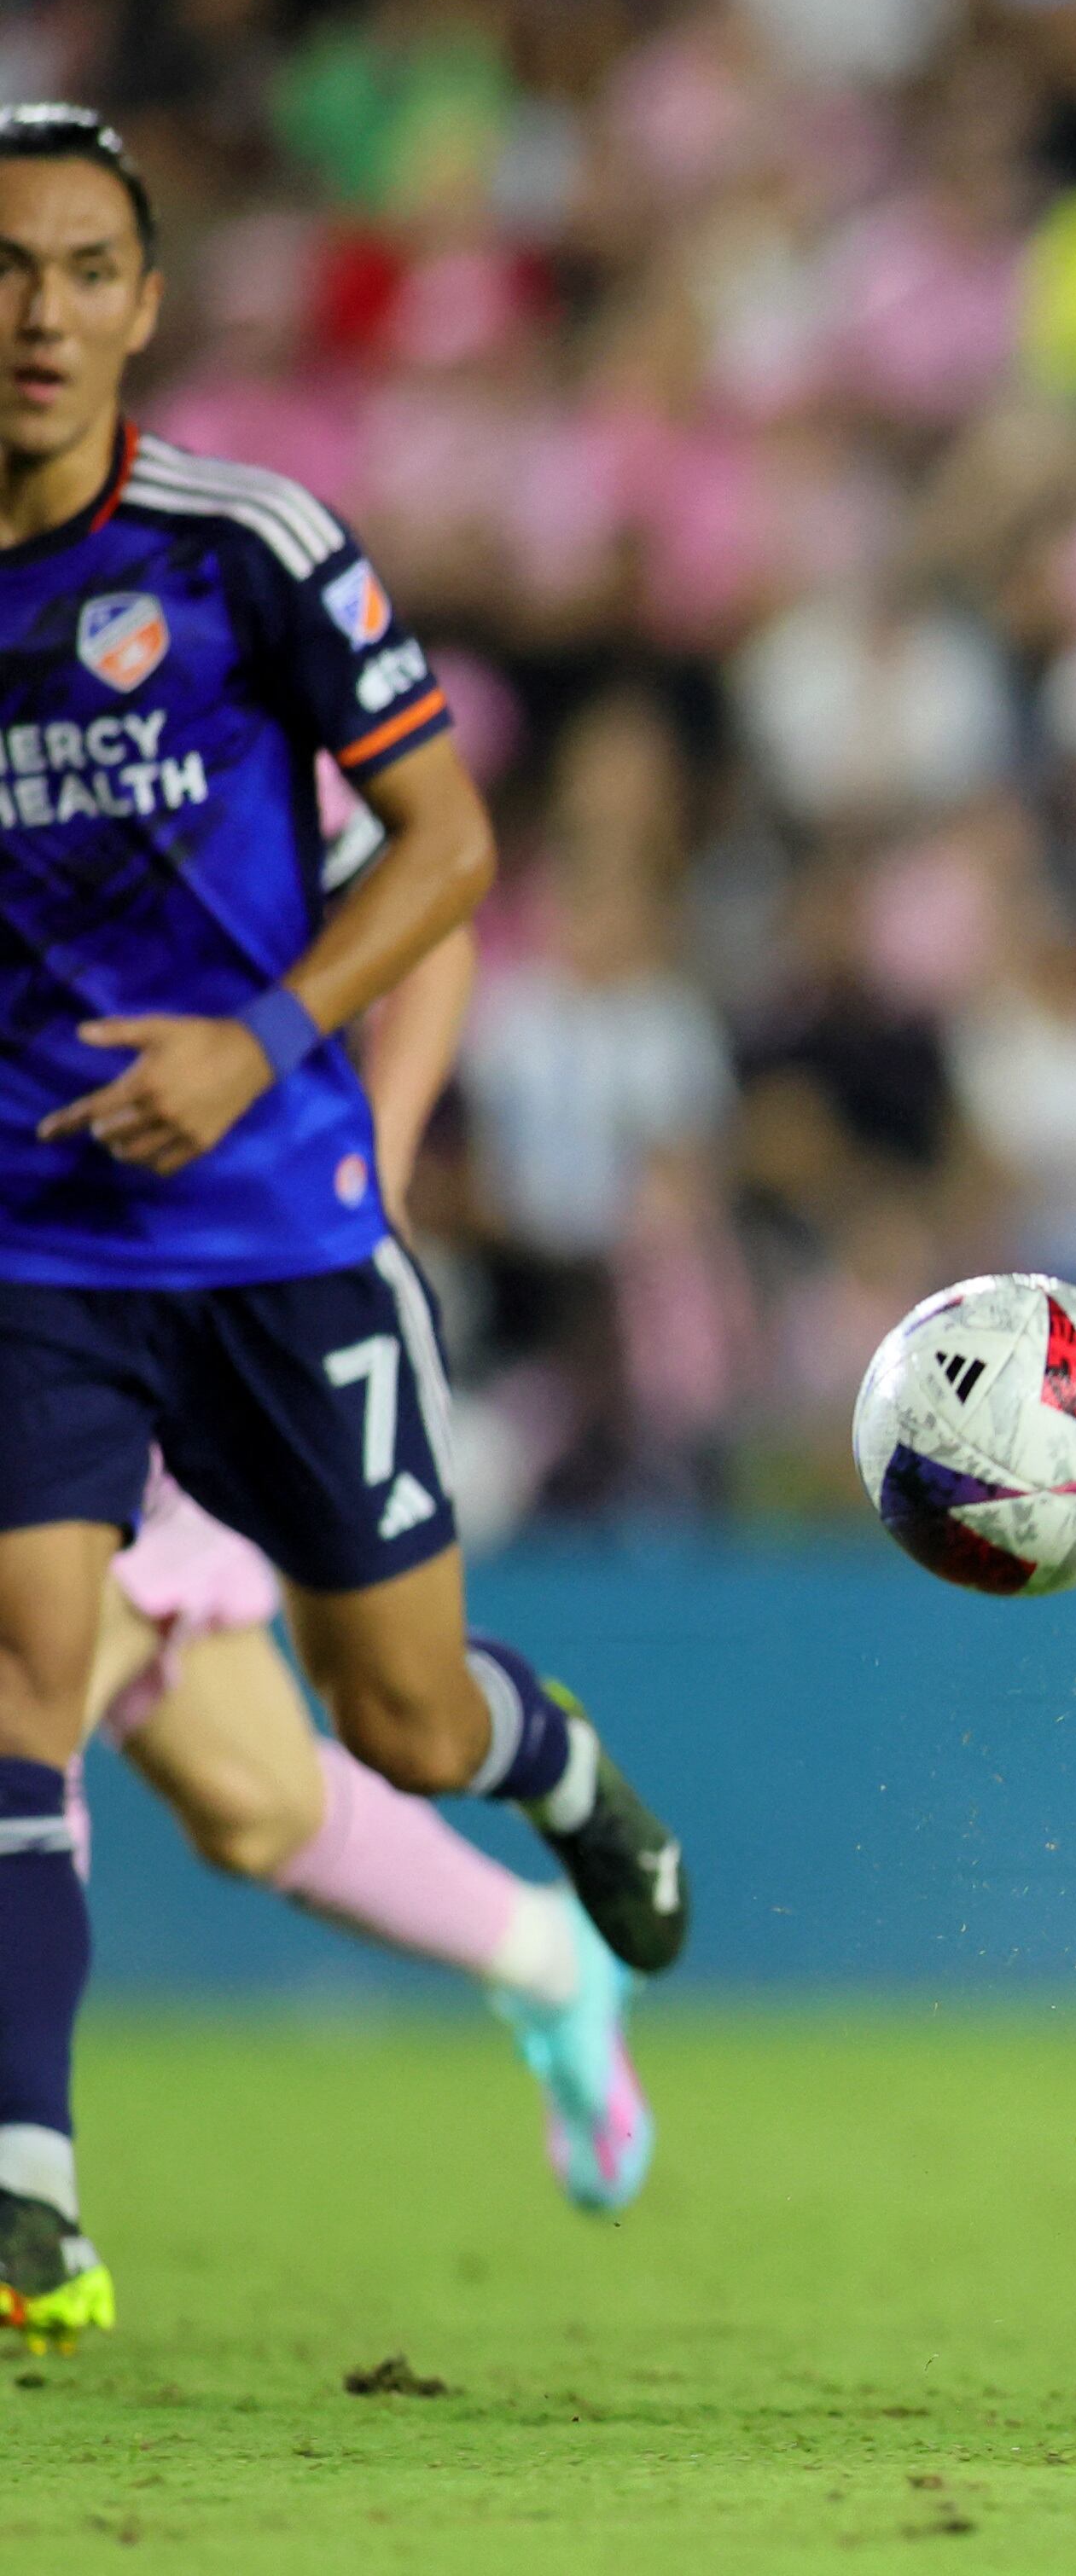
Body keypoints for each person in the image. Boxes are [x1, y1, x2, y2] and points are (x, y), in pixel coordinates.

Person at [0, 108, 685, 2351]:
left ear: (146, 304)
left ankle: (551, 1793)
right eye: (4, 268)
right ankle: (27, 2198)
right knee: (39, 1688)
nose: (35, 313)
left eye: (84, 269)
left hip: (270, 1249)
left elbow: (447, 861)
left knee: (363, 1743)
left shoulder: (248, 551)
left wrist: (289, 1073)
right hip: (35, 1258)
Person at [64, 882, 649, 2225]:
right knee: (254, 1799)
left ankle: (22, 2173)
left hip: (166, 1304)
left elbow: (424, 894)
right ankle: (549, 1955)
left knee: (34, 1700)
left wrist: (367, 1180)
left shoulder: (200, 701)